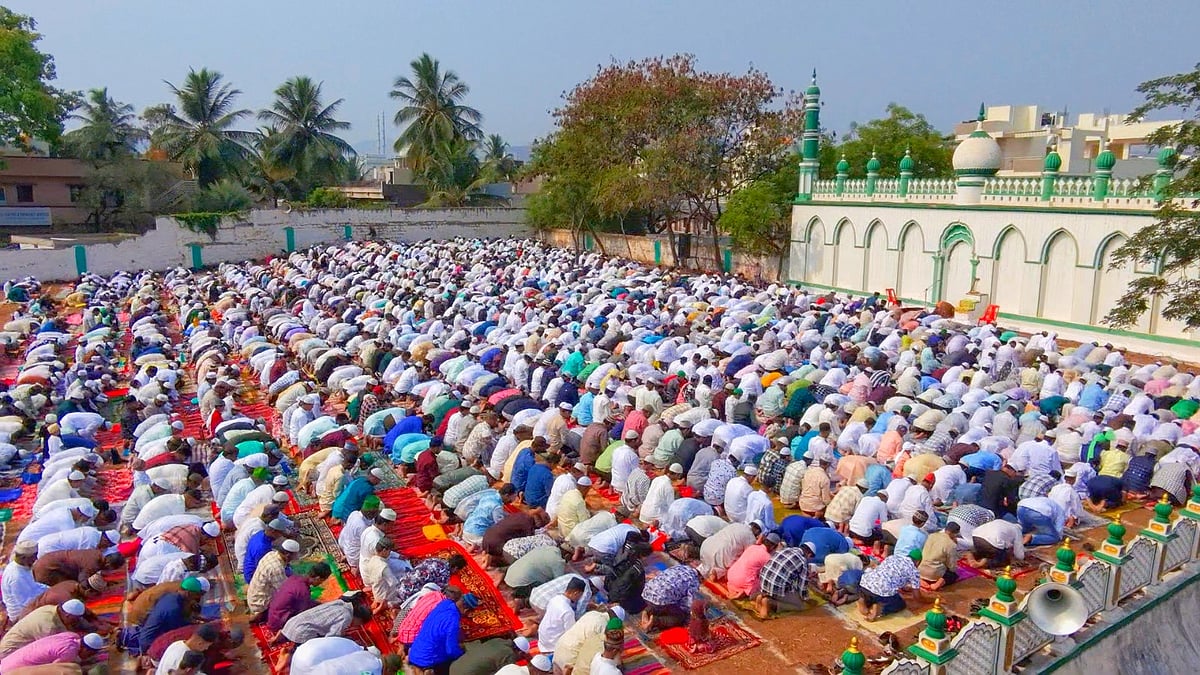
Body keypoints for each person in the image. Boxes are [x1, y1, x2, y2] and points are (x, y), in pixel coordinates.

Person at [407, 591, 479, 674]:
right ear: (466, 610)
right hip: (426, 660)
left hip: (414, 653)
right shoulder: (453, 621)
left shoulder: (444, 603)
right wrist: (463, 652)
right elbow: (451, 651)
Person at [858, 549, 923, 621]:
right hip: (881, 590)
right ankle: (880, 608)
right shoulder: (914, 570)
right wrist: (921, 601)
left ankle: (862, 599)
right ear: (918, 562)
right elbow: (916, 594)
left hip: (865, 583)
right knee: (900, 604)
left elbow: (888, 574)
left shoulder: (893, 557)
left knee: (871, 594)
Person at [753, 544, 812, 619]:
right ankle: (770, 603)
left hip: (763, 583)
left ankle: (761, 597)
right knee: (800, 606)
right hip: (776, 587)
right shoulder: (803, 561)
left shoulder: (785, 549)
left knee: (782, 586)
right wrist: (805, 598)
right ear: (809, 554)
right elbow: (802, 586)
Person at [537, 576, 587, 660]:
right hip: (552, 645)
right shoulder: (567, 611)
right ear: (575, 593)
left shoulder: (555, 599)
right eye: (580, 595)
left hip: (543, 638)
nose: (579, 598)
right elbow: (571, 634)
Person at [918, 522, 960, 591]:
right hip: (934, 574)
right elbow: (952, 567)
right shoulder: (951, 544)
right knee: (952, 574)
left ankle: (921, 580)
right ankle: (937, 584)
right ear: (955, 534)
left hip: (920, 570)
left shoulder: (931, 535)